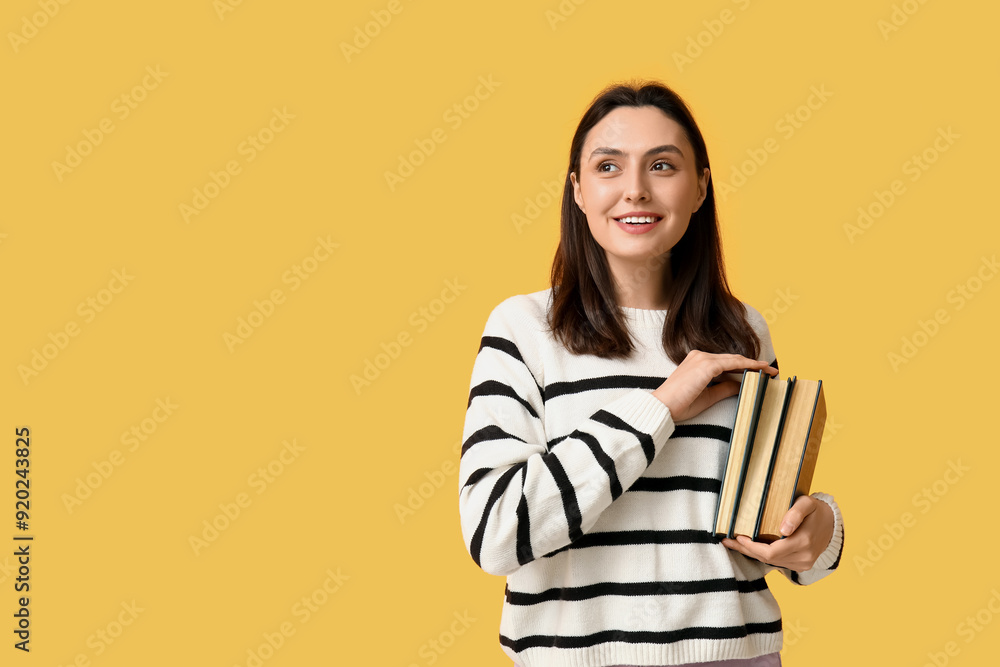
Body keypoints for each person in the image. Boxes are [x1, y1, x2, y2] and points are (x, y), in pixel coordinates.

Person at [457, 79, 844, 667]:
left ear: (700, 188)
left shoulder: (742, 330)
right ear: (578, 191)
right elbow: (494, 533)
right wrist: (659, 407)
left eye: (662, 165)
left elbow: (762, 526)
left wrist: (821, 536)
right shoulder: (524, 328)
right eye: (608, 166)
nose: (635, 190)